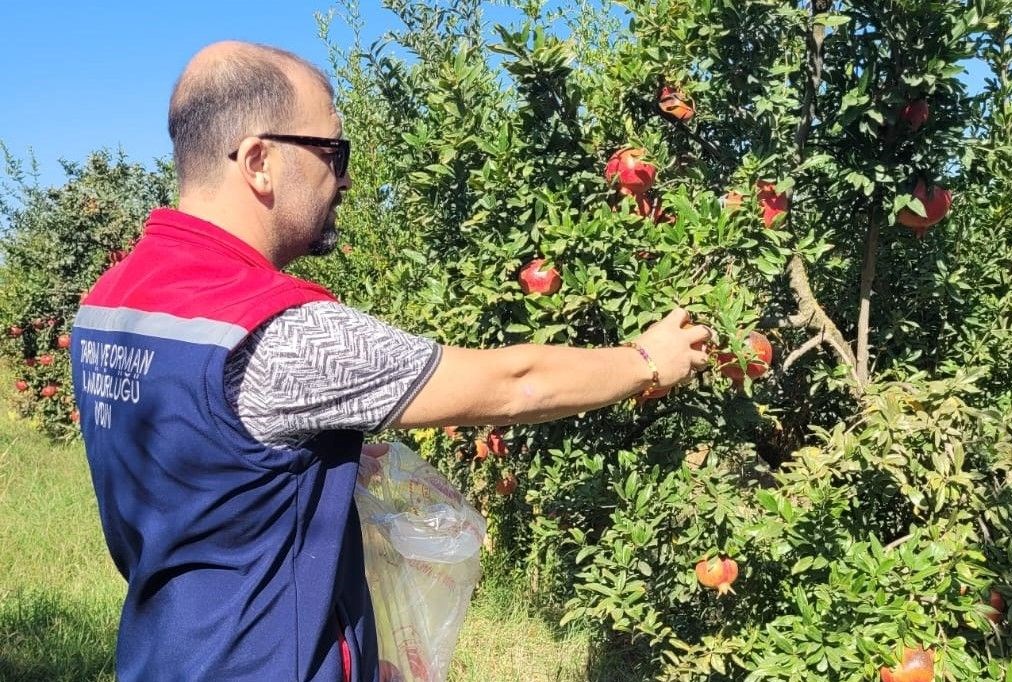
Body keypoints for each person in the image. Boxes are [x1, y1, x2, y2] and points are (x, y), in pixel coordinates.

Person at [68, 41, 713, 682]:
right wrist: (646, 362)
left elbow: (205, 460)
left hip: (167, 654)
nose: (344, 178)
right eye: (332, 151)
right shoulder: (280, 331)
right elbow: (513, 383)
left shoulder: (110, 304)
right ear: (260, 161)